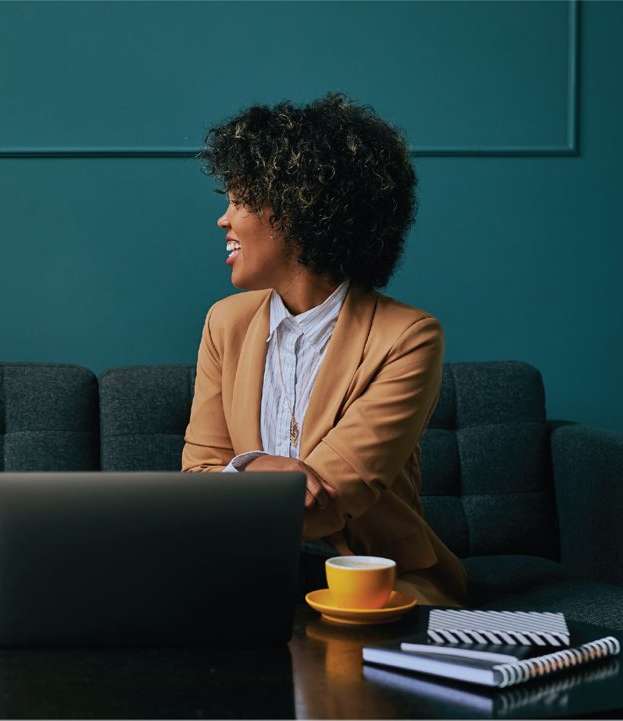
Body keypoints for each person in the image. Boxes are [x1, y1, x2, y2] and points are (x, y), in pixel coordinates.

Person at [182, 94, 466, 606]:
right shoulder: (225, 322)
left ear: (297, 209)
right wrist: (249, 466)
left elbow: (327, 505)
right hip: (245, 565)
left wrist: (228, 486)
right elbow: (195, 477)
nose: (223, 220)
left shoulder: (408, 336)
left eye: (238, 200)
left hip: (370, 579)